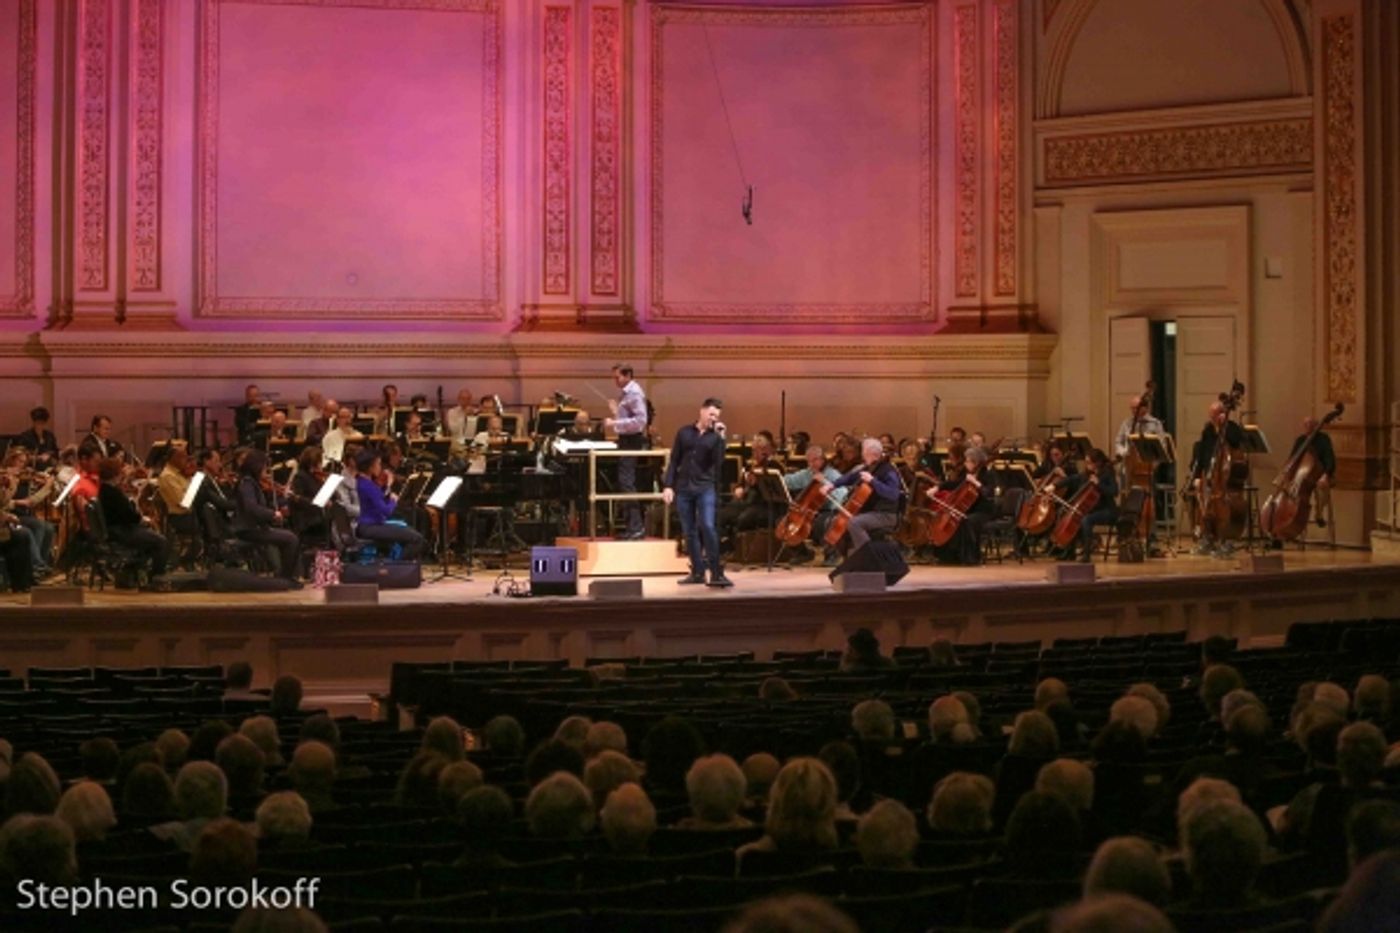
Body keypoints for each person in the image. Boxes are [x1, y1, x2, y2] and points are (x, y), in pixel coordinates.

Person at [662, 397, 730, 587]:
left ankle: (716, 572)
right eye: (711, 414)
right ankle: (698, 572)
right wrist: (669, 485)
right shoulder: (684, 432)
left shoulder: (715, 436)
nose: (713, 418)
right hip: (684, 488)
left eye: (716, 416)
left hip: (705, 487)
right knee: (689, 531)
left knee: (707, 526)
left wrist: (721, 439)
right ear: (702, 411)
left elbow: (719, 462)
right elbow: (674, 460)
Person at [820, 437, 901, 556]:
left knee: (854, 522)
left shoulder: (888, 470)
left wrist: (873, 481)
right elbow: (850, 477)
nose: (862, 455)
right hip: (871, 513)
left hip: (885, 514)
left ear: (870, 453)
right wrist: (831, 485)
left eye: (863, 452)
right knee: (834, 521)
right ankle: (847, 558)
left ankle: (867, 557)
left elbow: (893, 494)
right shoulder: (869, 468)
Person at [231, 449, 301, 583]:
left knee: (290, 537)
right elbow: (251, 508)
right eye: (264, 466)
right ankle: (284, 579)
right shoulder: (246, 483)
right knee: (291, 539)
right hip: (248, 530)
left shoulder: (251, 483)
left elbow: (259, 506)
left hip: (255, 527)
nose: (266, 470)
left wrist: (278, 509)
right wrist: (273, 514)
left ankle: (286, 576)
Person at [96, 457, 169, 579]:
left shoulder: (104, 490)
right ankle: (156, 577)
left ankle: (132, 573)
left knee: (151, 538)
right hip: (121, 532)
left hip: (115, 530)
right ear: (115, 474)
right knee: (161, 541)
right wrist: (144, 519)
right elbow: (130, 517)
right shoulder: (113, 493)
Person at [1192, 399, 1248, 556]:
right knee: (1206, 508)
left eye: (1215, 415)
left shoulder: (1232, 428)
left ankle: (1227, 541)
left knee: (1224, 507)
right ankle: (1208, 538)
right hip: (1210, 474)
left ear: (1223, 414)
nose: (1212, 419)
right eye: (1211, 416)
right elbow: (1201, 454)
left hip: (1225, 481)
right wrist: (1198, 476)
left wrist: (1224, 428)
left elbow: (1238, 441)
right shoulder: (1208, 430)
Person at [603, 364, 648, 540]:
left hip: (631, 441)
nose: (615, 381)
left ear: (628, 375)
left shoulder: (634, 393)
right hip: (626, 440)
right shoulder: (627, 393)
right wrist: (616, 413)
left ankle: (636, 527)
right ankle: (632, 527)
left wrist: (614, 423)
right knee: (624, 483)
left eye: (617, 377)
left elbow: (640, 421)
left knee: (627, 483)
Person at [353, 448, 423, 559]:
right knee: (417, 539)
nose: (380, 467)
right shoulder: (367, 485)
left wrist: (388, 486)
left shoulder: (363, 482)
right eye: (378, 464)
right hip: (371, 527)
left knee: (410, 532)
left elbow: (377, 498)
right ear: (370, 467)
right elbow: (386, 511)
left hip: (371, 525)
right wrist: (393, 500)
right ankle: (395, 567)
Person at [780, 445, 846, 562]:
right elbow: (787, 481)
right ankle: (803, 553)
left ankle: (831, 554)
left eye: (815, 460)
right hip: (809, 511)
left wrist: (825, 483)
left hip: (829, 510)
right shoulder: (807, 473)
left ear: (822, 459)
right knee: (785, 522)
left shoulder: (832, 474)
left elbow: (843, 494)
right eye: (809, 461)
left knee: (822, 522)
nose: (811, 464)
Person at [1068, 447, 1120, 562]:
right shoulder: (1089, 474)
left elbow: (1114, 491)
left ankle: (1087, 554)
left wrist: (1099, 483)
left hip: (1108, 511)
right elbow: (1073, 478)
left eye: (1089, 463)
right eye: (1086, 462)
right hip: (1095, 510)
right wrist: (1055, 485)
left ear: (1098, 463)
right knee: (1077, 517)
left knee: (1086, 520)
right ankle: (1069, 552)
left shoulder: (1107, 473)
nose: (1086, 465)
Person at [1290, 414, 1338, 526]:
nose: (1308, 427)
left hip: (1320, 475)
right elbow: (1292, 459)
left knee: (1321, 487)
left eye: (1311, 424)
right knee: (1292, 491)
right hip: (1302, 478)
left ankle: (1319, 515)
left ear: (1317, 426)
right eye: (1306, 424)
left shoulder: (1324, 439)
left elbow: (1329, 458)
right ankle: (1294, 519)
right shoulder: (1300, 440)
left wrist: (1326, 474)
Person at [1113, 395, 1165, 461]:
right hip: (1128, 463)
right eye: (1132, 408)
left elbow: (1162, 444)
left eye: (1137, 408)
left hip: (1148, 463)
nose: (1134, 410)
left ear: (1145, 408)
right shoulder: (1126, 423)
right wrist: (1123, 453)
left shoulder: (1155, 424)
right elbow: (1118, 442)